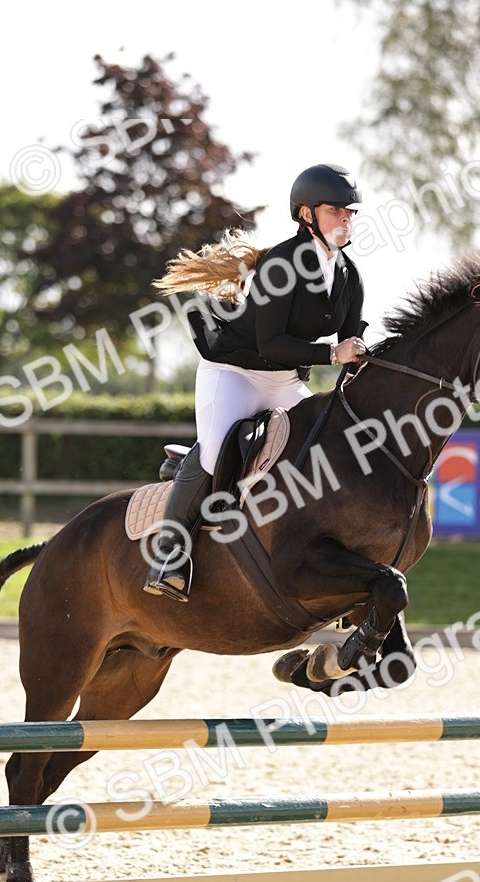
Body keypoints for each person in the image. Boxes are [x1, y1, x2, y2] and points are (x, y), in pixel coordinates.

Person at [144, 163, 368, 601]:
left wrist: (365, 360)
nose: (345, 219)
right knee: (214, 452)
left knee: (333, 447)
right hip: (235, 373)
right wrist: (331, 355)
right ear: (306, 214)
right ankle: (168, 555)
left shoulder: (349, 275)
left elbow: (351, 343)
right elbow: (271, 343)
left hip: (285, 381)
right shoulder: (281, 265)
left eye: (350, 212)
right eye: (335, 211)